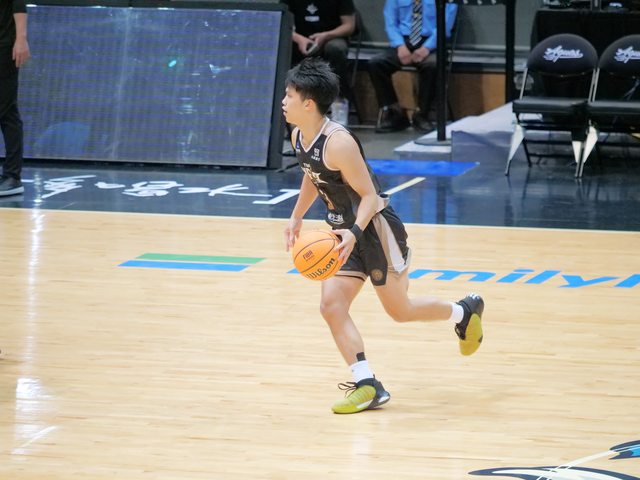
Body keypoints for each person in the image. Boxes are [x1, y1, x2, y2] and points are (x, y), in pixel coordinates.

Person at [282, 58, 484, 415]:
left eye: (289, 95)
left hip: (375, 230)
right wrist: (296, 216)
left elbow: (371, 197)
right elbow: (313, 175)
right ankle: (367, 384)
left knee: (400, 311)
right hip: (343, 235)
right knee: (331, 306)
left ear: (309, 103)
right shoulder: (299, 135)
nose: (283, 101)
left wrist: (354, 232)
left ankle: (463, 312)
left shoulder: (339, 143)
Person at [369, 0, 457, 133]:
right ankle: (395, 112)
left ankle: (421, 114)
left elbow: (445, 25)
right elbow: (390, 23)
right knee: (376, 63)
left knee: (432, 65)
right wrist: (400, 45)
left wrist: (427, 48)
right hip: (403, 41)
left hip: (433, 42)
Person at [282, 0, 356, 123]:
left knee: (336, 49)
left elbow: (349, 26)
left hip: (331, 38)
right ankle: (288, 106)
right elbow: (281, 21)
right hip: (300, 40)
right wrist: (298, 39)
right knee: (282, 47)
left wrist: (326, 36)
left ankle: (338, 102)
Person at [0, 0, 29, 196]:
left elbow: (18, 3)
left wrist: (21, 38)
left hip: (4, 45)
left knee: (6, 110)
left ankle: (12, 176)